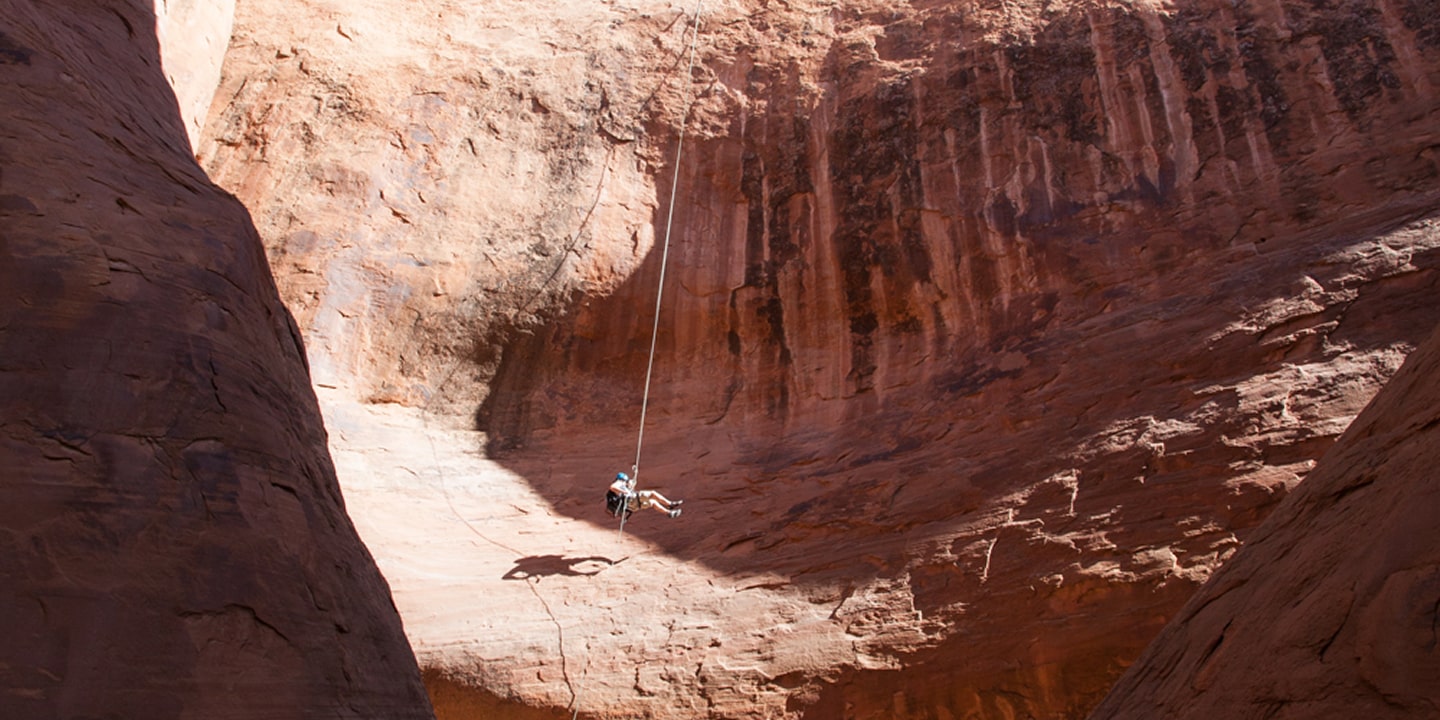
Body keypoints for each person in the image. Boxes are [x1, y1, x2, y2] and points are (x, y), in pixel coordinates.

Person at [606, 472, 683, 519]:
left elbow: (631, 487)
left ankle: (669, 513)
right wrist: (625, 491)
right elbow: (612, 487)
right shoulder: (619, 482)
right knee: (652, 493)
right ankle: (670, 504)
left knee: (653, 502)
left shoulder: (625, 486)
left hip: (632, 506)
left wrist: (630, 485)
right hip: (631, 500)